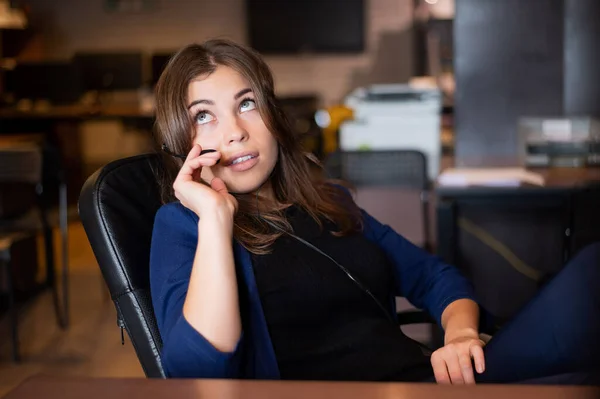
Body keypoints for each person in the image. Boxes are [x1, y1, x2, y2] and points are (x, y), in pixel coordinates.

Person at [149, 39, 600, 385]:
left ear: (272, 115)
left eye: (247, 104)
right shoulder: (185, 226)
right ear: (180, 138)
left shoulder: (329, 201)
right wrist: (215, 217)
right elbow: (197, 367)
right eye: (204, 116)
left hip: (427, 383)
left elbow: (435, 277)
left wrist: (461, 336)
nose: (236, 133)